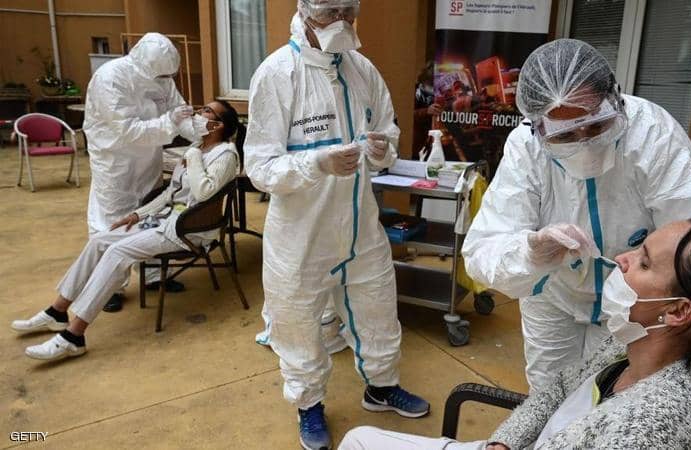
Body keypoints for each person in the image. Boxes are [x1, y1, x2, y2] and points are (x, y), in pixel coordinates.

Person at [340, 217, 691, 449]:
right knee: (359, 439)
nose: (623, 259)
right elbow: (558, 388)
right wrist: (503, 442)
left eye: (644, 262)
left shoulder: (649, 428)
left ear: (679, 311)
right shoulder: (630, 346)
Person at [462, 38, 691, 389]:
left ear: (614, 98)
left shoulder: (652, 134)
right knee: (550, 395)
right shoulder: (526, 148)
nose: (585, 143)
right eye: (565, 135)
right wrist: (528, 253)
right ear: (536, 126)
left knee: (623, 399)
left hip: (639, 306)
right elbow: (483, 251)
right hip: (554, 298)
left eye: (597, 126)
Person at [244, 1, 430, 448]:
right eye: (331, 12)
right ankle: (309, 406)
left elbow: (387, 131)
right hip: (302, 237)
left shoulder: (363, 69)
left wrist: (383, 150)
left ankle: (381, 387)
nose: (342, 22)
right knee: (299, 323)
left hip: (361, 228)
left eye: (349, 11)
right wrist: (317, 163)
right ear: (306, 10)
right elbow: (260, 167)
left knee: (378, 310)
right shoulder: (277, 74)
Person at [11, 100, 243, 361]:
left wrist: (193, 158)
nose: (199, 113)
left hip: (189, 229)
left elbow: (203, 194)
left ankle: (74, 336)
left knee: (117, 252)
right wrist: (137, 215)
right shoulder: (197, 147)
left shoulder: (225, 155)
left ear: (218, 125)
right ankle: (57, 311)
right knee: (100, 241)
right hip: (165, 220)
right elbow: (170, 193)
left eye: (206, 111)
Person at [83, 32, 203, 312]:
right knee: (112, 221)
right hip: (115, 161)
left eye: (168, 76)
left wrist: (203, 132)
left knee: (150, 214)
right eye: (161, 76)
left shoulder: (163, 79)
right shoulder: (110, 78)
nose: (165, 81)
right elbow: (128, 130)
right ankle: (109, 287)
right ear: (144, 65)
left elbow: (179, 112)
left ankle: (153, 275)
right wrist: (169, 122)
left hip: (148, 157)